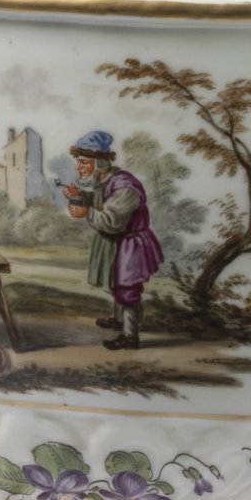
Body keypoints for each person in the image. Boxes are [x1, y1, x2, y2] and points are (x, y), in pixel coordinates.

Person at [62, 131, 165, 351]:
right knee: (117, 283)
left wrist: (86, 212)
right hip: (118, 243)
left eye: (83, 162)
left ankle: (130, 336)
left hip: (130, 245)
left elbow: (111, 220)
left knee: (127, 288)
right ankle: (119, 320)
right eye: (79, 162)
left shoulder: (125, 186)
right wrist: (78, 196)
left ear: (100, 162)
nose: (79, 167)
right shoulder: (105, 180)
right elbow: (98, 200)